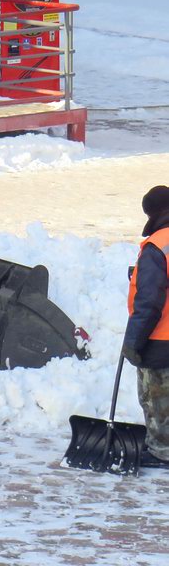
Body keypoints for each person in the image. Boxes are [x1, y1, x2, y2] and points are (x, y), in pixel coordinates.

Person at [123, 185, 169, 469]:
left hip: (161, 337)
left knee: (156, 396)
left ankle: (162, 450)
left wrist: (133, 340)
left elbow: (150, 301)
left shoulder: (157, 246)